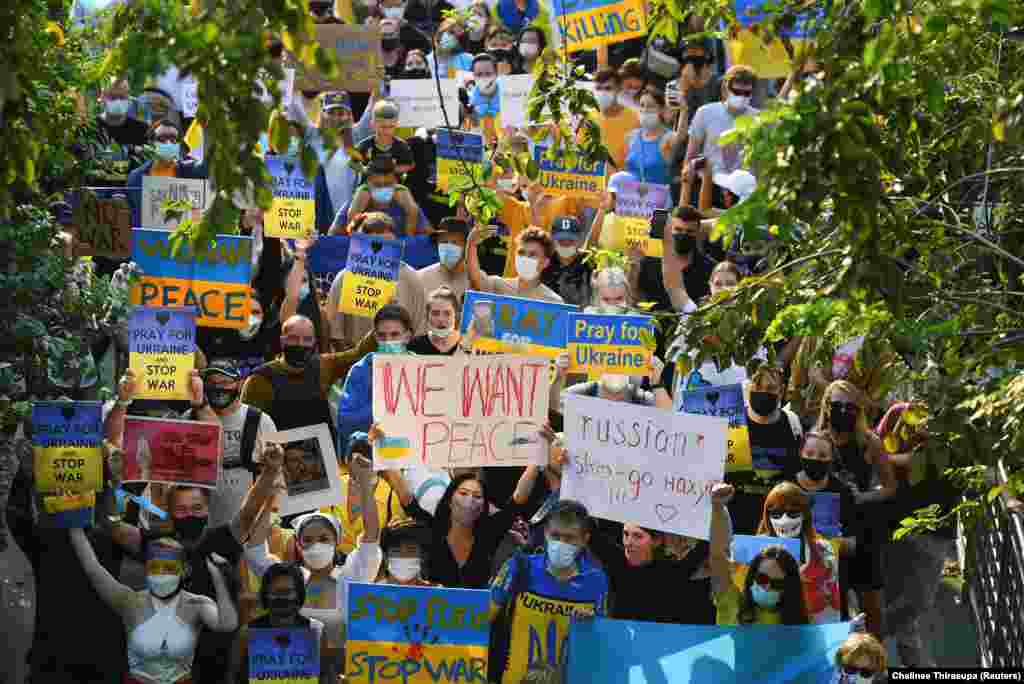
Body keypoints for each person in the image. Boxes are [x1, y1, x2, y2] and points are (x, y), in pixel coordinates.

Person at [244, 451, 380, 682]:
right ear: (298, 544)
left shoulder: (350, 577)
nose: (316, 545)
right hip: (287, 675)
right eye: (307, 540)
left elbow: (371, 537)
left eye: (324, 539)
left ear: (337, 542)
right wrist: (270, 501)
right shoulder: (286, 579)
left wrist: (365, 483)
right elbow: (255, 549)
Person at [69, 531, 238, 684]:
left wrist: (219, 579)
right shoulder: (130, 602)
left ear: (185, 570)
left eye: (169, 568)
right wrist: (74, 526)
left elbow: (227, 625)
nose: (161, 574)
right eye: (155, 567)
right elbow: (93, 568)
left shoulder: (197, 604)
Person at [489, 500, 608, 684]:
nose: (561, 544)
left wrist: (592, 624)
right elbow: (483, 615)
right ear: (545, 533)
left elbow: (602, 640)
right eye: (555, 536)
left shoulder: (596, 580)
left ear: (585, 539)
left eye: (569, 538)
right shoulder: (519, 567)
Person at [586, 484, 735, 625]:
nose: (628, 542)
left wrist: (718, 506)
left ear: (657, 541)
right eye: (625, 534)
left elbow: (714, 542)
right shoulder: (616, 561)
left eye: (637, 536)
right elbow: (587, 530)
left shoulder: (674, 570)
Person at [816, 380, 895, 638]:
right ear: (826, 407)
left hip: (862, 531)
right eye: (837, 405)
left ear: (859, 410)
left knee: (871, 607)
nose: (843, 411)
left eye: (850, 406)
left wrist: (863, 497)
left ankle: (876, 657)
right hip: (827, 532)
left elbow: (890, 487)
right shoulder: (816, 440)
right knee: (828, 605)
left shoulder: (869, 442)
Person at [378, 469, 523, 589]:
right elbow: (406, 498)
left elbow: (518, 498)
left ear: (483, 506)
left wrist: (535, 457)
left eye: (477, 496)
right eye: (463, 493)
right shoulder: (434, 529)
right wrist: (386, 456)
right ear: (450, 501)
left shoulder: (488, 534)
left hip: (474, 613)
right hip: (434, 611)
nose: (469, 500)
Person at [240, 314, 376, 434]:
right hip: (278, 452)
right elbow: (248, 428)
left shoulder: (323, 365)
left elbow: (358, 354)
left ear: (314, 342)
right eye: (293, 338)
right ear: (282, 341)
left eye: (307, 339)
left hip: (322, 451)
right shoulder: (260, 379)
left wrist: (381, 325)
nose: (300, 344)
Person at [325, 211, 426, 350]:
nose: (381, 250)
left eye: (387, 243)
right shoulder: (344, 278)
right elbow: (335, 333)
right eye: (374, 243)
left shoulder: (412, 278)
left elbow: (419, 331)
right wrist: (355, 359)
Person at [199, 360, 279, 529]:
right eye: (212, 383)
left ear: (240, 383)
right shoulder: (191, 417)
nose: (218, 388)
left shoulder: (261, 421)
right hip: (202, 525)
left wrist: (271, 519)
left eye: (225, 382)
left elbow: (276, 475)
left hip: (248, 524)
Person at [729, 365, 805, 534]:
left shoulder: (791, 423)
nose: (763, 392)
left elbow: (797, 475)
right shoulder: (733, 421)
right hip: (736, 521)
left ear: (781, 391)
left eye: (770, 388)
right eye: (757, 386)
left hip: (778, 524)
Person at [229, 562, 330, 684]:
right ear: (265, 594)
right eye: (276, 592)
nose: (282, 598)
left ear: (299, 594)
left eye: (287, 592)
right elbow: (232, 678)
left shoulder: (317, 631)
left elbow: (325, 677)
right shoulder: (247, 634)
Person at [757, 482, 841, 624]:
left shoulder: (823, 549)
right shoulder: (757, 549)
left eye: (792, 513)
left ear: (805, 515)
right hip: (772, 630)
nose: (784, 520)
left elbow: (832, 600)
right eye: (776, 513)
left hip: (815, 628)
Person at [336, 304, 416, 441]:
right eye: (382, 336)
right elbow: (346, 420)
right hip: (376, 447)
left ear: (407, 336)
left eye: (395, 335)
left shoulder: (423, 368)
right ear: (375, 337)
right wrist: (382, 409)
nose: (388, 341)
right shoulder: (361, 370)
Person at [685, 65, 759, 178]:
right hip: (710, 184)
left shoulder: (758, 119)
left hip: (745, 185)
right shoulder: (705, 113)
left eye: (746, 93)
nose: (741, 96)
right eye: (737, 91)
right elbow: (690, 157)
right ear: (725, 89)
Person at [126, 119, 207, 219]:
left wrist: (207, 130)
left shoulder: (190, 170)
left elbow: (208, 168)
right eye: (162, 139)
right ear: (151, 142)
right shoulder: (136, 177)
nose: (168, 143)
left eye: (173, 140)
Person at [331, 155, 430, 237]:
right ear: (368, 183)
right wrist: (354, 213)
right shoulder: (356, 201)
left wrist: (412, 212)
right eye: (377, 185)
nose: (383, 188)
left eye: (388, 184)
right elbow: (332, 237)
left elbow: (429, 237)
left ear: (396, 182)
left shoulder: (405, 200)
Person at [714, 543, 810, 626]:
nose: (767, 588)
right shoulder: (733, 602)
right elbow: (715, 555)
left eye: (777, 584)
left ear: (789, 588)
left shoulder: (798, 623)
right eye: (762, 579)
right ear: (752, 576)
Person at [466, 224, 564, 303]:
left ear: (545, 262)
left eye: (532, 254)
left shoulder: (554, 301)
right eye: (521, 252)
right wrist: (471, 244)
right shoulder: (498, 285)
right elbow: (476, 279)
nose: (525, 258)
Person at [313, 91, 360, 234]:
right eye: (331, 113)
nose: (336, 118)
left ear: (349, 115)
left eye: (341, 113)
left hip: (350, 213)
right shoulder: (313, 141)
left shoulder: (358, 139)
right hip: (322, 213)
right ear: (323, 114)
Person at [589, 68, 641, 173]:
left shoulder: (634, 119)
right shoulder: (588, 118)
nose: (602, 93)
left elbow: (638, 157)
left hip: (620, 180)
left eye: (608, 88)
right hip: (592, 179)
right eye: (598, 88)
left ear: (618, 89)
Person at [623, 90, 679, 186]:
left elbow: (681, 137)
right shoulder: (630, 136)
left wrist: (684, 111)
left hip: (659, 193)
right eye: (642, 105)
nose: (645, 110)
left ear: (661, 109)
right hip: (630, 194)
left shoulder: (670, 137)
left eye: (650, 106)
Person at [540, 216, 593, 308]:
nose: (566, 244)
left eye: (571, 240)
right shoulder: (544, 261)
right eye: (561, 240)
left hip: (580, 315)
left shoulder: (589, 261)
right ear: (552, 240)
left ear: (579, 240)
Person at [355, 101, 415, 176]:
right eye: (383, 127)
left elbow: (410, 164)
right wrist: (365, 170)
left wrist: (392, 169)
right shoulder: (365, 145)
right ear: (372, 124)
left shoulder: (402, 146)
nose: (387, 131)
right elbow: (352, 163)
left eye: (391, 127)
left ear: (397, 124)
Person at [417, 217, 469, 301]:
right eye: (444, 242)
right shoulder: (420, 278)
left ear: (466, 246)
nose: (448, 247)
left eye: (454, 242)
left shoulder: (476, 279)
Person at [376, 521, 436, 586]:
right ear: (385, 557)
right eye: (396, 551)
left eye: (411, 550)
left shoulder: (437, 591)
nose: (404, 555)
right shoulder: (371, 590)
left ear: (423, 556)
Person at [408, 286, 463, 355]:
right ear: (427, 316)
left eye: (447, 313)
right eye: (435, 313)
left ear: (456, 315)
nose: (441, 319)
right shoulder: (415, 346)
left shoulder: (466, 344)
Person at [466, 54, 502, 139]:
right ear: (473, 76)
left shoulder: (510, 97)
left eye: (488, 74)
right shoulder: (468, 104)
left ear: (496, 74)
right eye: (479, 74)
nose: (484, 78)